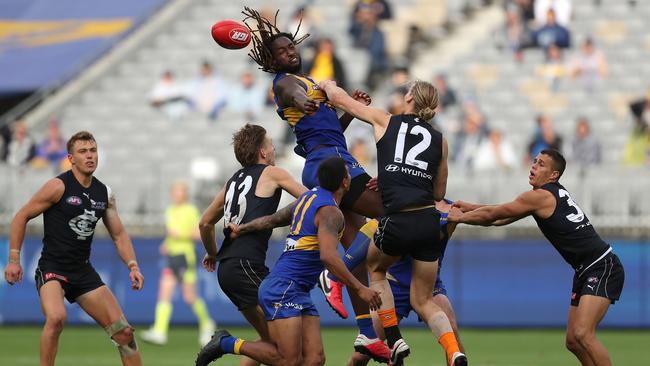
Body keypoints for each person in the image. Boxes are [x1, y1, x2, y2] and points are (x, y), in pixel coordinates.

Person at [240, 7, 390, 360]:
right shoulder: (286, 83)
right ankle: (332, 278)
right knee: (391, 210)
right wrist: (304, 101)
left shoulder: (308, 80)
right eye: (282, 51)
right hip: (329, 164)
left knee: (354, 250)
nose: (290, 52)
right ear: (273, 60)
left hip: (331, 156)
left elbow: (329, 129)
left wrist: (351, 111)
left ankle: (367, 332)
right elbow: (294, 95)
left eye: (291, 47)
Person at [320, 79, 466, 366]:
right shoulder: (441, 141)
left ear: (409, 97)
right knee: (426, 302)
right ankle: (454, 352)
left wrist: (327, 85)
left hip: (398, 219)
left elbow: (341, 101)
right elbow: (438, 193)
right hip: (427, 222)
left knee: (375, 271)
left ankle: (393, 335)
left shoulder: (385, 121)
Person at [195, 157, 382, 366]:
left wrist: (242, 228)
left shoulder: (307, 199)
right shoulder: (331, 213)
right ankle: (227, 343)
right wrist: (359, 288)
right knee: (287, 360)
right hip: (283, 288)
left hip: (297, 289)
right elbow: (328, 256)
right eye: (348, 174)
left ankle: (228, 343)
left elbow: (272, 219)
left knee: (314, 359)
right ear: (345, 182)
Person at [448, 149, 625, 366]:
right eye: (534, 161)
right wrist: (470, 208)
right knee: (573, 341)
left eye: (541, 164)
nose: (534, 167)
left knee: (583, 334)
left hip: (601, 266)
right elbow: (502, 216)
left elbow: (496, 215)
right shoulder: (543, 196)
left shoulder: (540, 196)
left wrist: (460, 217)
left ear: (554, 175)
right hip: (586, 269)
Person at [3, 131, 145, 366]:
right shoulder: (57, 186)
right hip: (52, 269)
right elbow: (21, 216)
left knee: (125, 334)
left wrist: (133, 265)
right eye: (83, 152)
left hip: (82, 272)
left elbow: (118, 234)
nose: (90, 156)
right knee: (57, 318)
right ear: (71, 159)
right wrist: (14, 259)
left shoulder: (104, 194)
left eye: (93, 150)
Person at [198, 124, 306, 366]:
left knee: (269, 344)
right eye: (269, 143)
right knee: (289, 355)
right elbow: (310, 198)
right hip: (246, 267)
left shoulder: (232, 181)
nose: (274, 147)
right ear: (263, 152)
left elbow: (205, 223)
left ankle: (226, 343)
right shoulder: (273, 173)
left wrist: (214, 254)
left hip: (229, 269)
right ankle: (226, 343)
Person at [318, 197, 465, 366]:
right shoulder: (396, 204)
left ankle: (333, 277)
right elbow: (370, 231)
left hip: (429, 285)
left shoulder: (450, 208)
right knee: (361, 355)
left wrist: (475, 212)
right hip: (393, 286)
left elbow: (488, 215)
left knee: (453, 339)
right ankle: (333, 276)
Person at [140, 181, 215, 346]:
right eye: (175, 191)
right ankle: (160, 331)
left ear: (185, 194)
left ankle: (207, 324)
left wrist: (179, 235)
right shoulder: (170, 210)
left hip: (185, 257)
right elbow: (171, 234)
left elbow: (197, 234)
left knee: (190, 297)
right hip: (172, 257)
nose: (177, 194)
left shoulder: (191, 210)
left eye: (180, 191)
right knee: (164, 292)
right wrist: (166, 243)